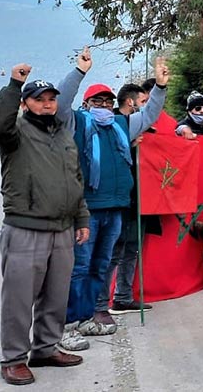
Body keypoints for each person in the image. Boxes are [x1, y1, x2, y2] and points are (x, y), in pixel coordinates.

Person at [55, 47, 168, 351]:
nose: (103, 105)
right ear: (86, 104)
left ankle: (90, 315)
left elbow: (150, 114)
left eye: (107, 101)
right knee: (79, 268)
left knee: (102, 266)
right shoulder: (75, 123)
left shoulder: (121, 125)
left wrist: (160, 87)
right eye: (97, 101)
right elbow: (61, 102)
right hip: (87, 211)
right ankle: (67, 326)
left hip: (116, 208)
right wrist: (79, 72)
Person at [0, 67, 87, 385]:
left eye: (51, 99)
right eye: (39, 99)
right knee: (18, 298)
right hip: (25, 228)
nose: (47, 104)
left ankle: (45, 348)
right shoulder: (14, 133)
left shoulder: (63, 136)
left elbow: (74, 179)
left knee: (56, 296)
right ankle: (14, 358)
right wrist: (14, 85)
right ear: (25, 104)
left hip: (62, 229)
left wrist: (81, 217)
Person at [106, 83, 158, 317]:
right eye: (143, 102)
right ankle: (99, 303)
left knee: (132, 250)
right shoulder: (112, 124)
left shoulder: (143, 126)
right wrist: (129, 145)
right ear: (131, 101)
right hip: (120, 199)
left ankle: (123, 297)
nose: (145, 107)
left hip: (141, 198)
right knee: (115, 251)